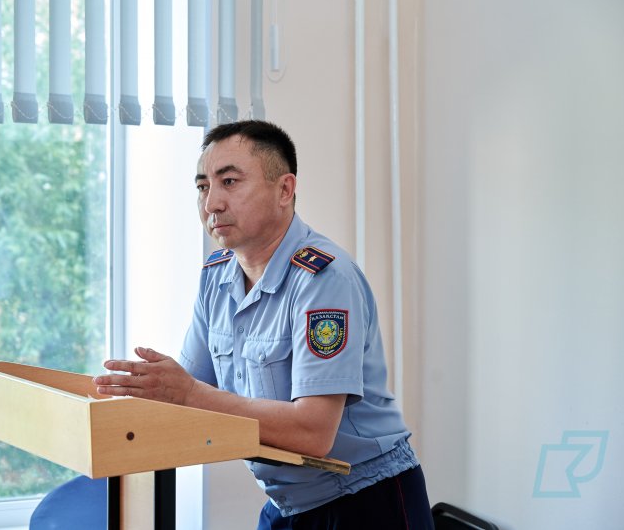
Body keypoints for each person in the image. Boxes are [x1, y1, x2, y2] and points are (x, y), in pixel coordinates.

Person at [93, 120, 434, 529]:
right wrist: (126, 397)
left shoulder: (324, 279)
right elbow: (188, 396)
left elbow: (312, 434)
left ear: (284, 190)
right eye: (202, 187)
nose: (211, 204)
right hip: (288, 501)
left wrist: (188, 393)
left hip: (365, 499)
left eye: (229, 182)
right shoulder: (216, 276)